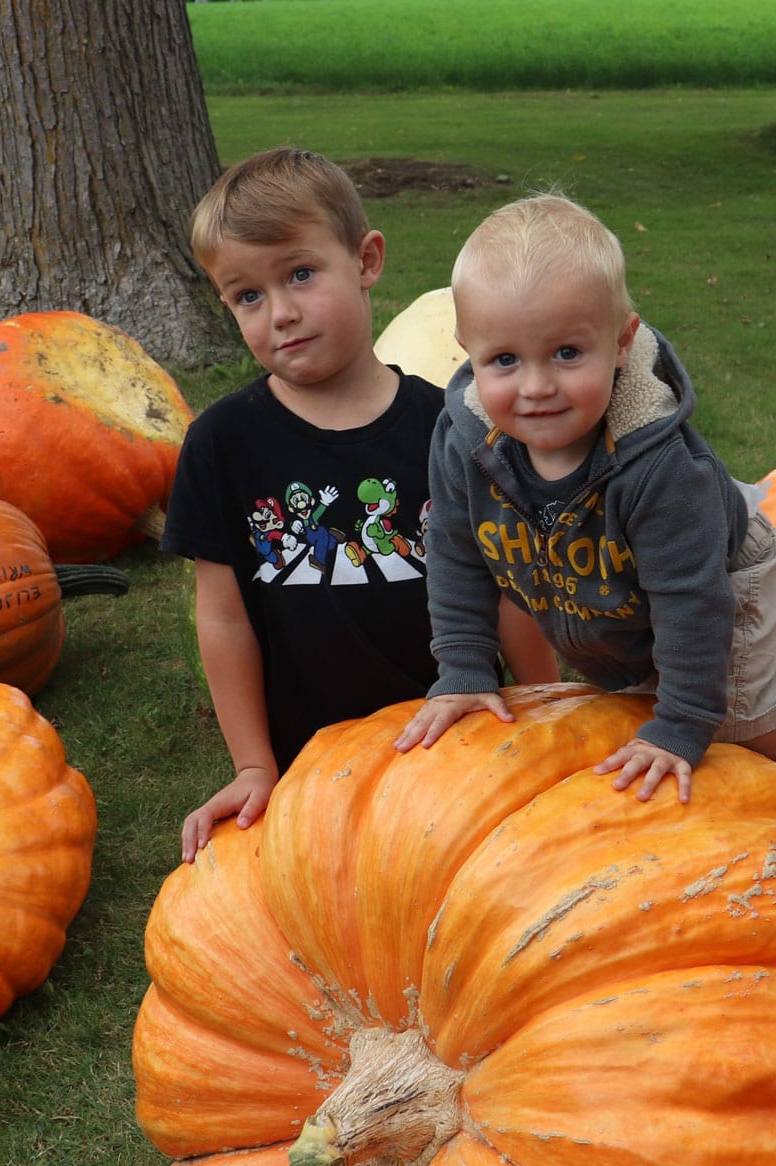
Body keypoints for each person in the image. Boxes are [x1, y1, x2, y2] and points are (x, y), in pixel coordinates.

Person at [391, 193, 776, 821]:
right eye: (504, 360)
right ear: (466, 349)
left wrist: (681, 724)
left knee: (735, 722)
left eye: (567, 353)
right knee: (639, 704)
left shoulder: (661, 471)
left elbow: (691, 602)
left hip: (715, 576)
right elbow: (455, 553)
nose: (536, 386)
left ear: (621, 342)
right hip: (609, 592)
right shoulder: (465, 444)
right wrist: (464, 668)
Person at [164, 147, 557, 864]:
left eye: (300, 274)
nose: (281, 313)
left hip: (458, 743)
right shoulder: (222, 443)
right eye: (247, 296)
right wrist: (253, 765)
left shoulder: (453, 427)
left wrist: (546, 713)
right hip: (310, 770)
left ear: (366, 260)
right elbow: (222, 617)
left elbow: (507, 588)